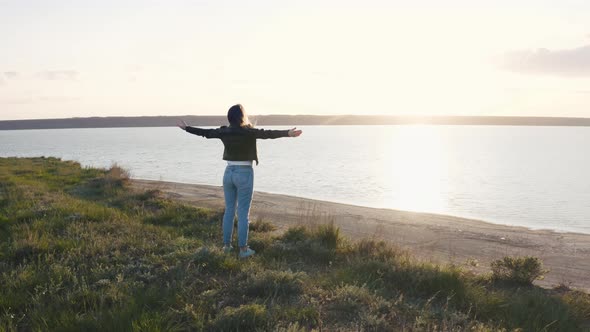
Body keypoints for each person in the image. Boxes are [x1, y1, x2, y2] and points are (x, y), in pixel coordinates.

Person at [177, 104, 302, 258]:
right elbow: (267, 134)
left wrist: (187, 128)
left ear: (230, 118)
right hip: (244, 173)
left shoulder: (224, 131)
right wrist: (288, 133)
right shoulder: (248, 132)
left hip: (228, 173)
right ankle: (243, 250)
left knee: (229, 211)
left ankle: (227, 246)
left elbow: (206, 133)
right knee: (243, 213)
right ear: (242, 116)